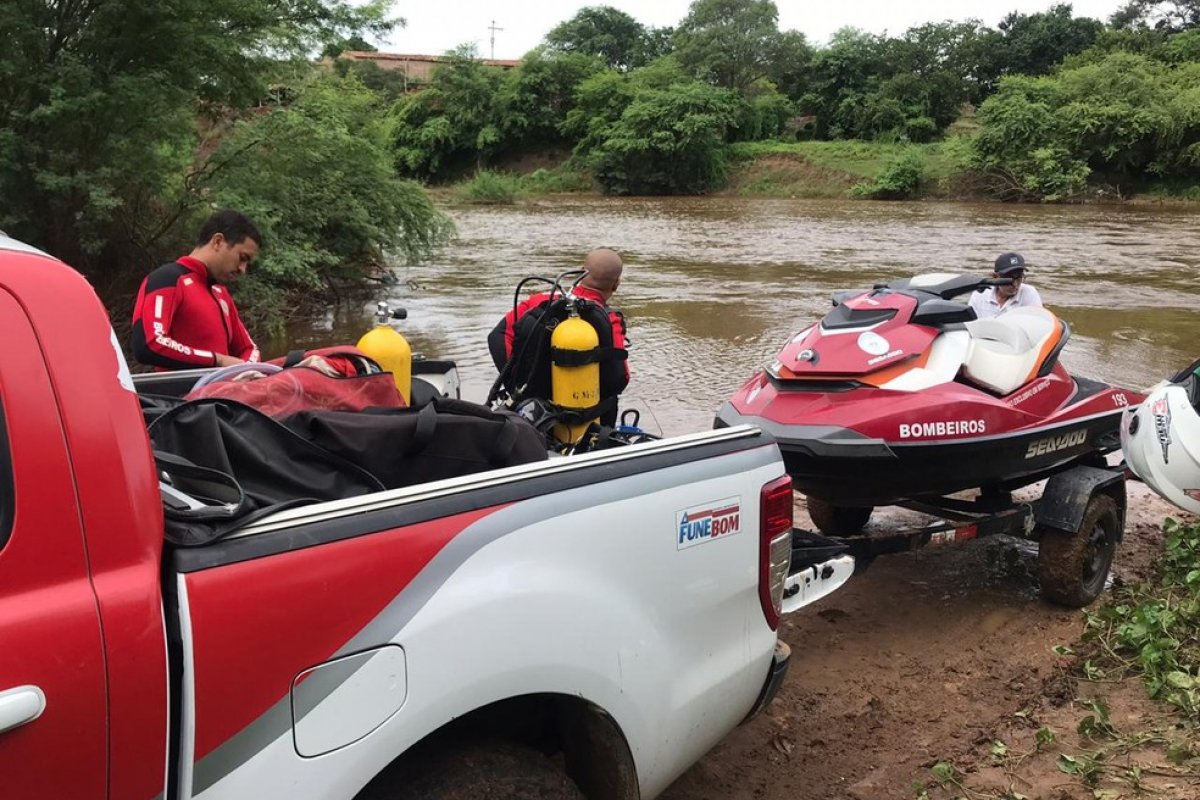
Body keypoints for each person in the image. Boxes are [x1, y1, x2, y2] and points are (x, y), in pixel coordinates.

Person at [487, 248, 629, 424]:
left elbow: (497, 337)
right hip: (589, 417)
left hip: (533, 410)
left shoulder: (539, 301)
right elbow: (619, 379)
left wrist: (518, 383)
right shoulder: (610, 319)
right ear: (616, 284)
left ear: (581, 272)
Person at [131, 210, 262, 371]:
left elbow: (249, 348)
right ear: (218, 241)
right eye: (242, 258)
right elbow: (149, 343)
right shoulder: (167, 279)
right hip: (186, 395)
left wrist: (246, 370)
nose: (243, 269)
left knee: (298, 362)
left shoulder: (220, 292)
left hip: (226, 392)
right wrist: (218, 360)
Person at [968, 252, 1044, 320]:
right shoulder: (980, 294)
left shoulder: (1029, 294)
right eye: (1009, 280)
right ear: (995, 277)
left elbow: (1037, 323)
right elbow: (969, 324)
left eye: (1019, 278)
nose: (1015, 284)